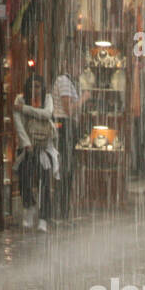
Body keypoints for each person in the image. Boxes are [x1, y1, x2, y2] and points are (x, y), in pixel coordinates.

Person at [14, 73, 58, 231]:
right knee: (24, 178)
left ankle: (44, 218)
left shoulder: (47, 99)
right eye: (32, 86)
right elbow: (18, 123)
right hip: (26, 148)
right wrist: (26, 144)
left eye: (38, 86)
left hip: (44, 147)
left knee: (45, 182)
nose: (35, 90)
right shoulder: (19, 99)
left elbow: (47, 114)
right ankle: (29, 207)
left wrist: (25, 109)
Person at [52, 69, 80, 219]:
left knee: (66, 169)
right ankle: (60, 209)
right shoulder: (64, 81)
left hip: (67, 129)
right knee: (65, 169)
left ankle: (63, 209)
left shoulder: (68, 82)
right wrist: (84, 99)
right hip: (64, 128)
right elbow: (68, 109)